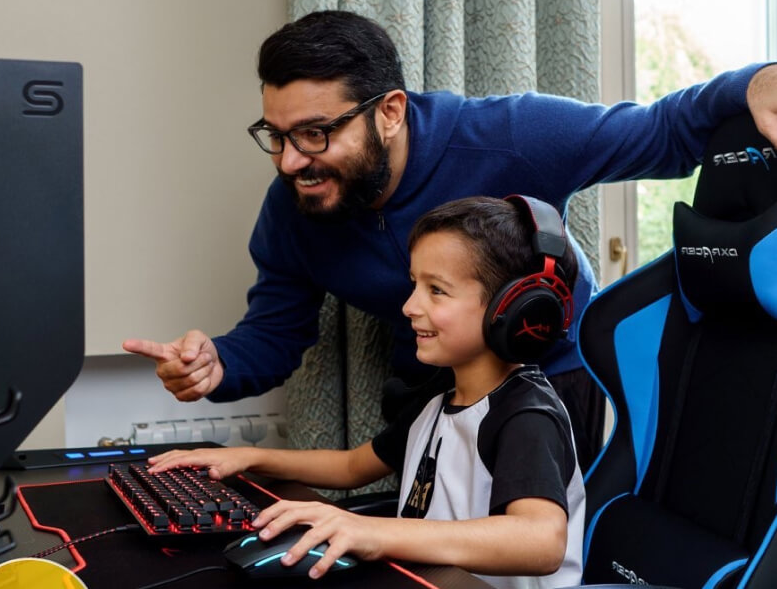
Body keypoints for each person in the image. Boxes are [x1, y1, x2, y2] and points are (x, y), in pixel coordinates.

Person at [123, 10, 777, 473]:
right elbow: (273, 332)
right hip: (437, 400)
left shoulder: (510, 135)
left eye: (316, 133)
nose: (292, 160)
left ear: (390, 111)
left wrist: (749, 84)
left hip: (557, 392)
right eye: (277, 134)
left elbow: (663, 132)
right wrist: (217, 364)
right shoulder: (296, 206)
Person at [146, 195, 586, 589]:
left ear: (514, 308)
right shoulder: (438, 398)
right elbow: (354, 465)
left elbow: (540, 541)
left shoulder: (526, 413)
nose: (410, 306)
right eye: (414, 285)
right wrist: (248, 458)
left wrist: (373, 532)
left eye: (436, 290)